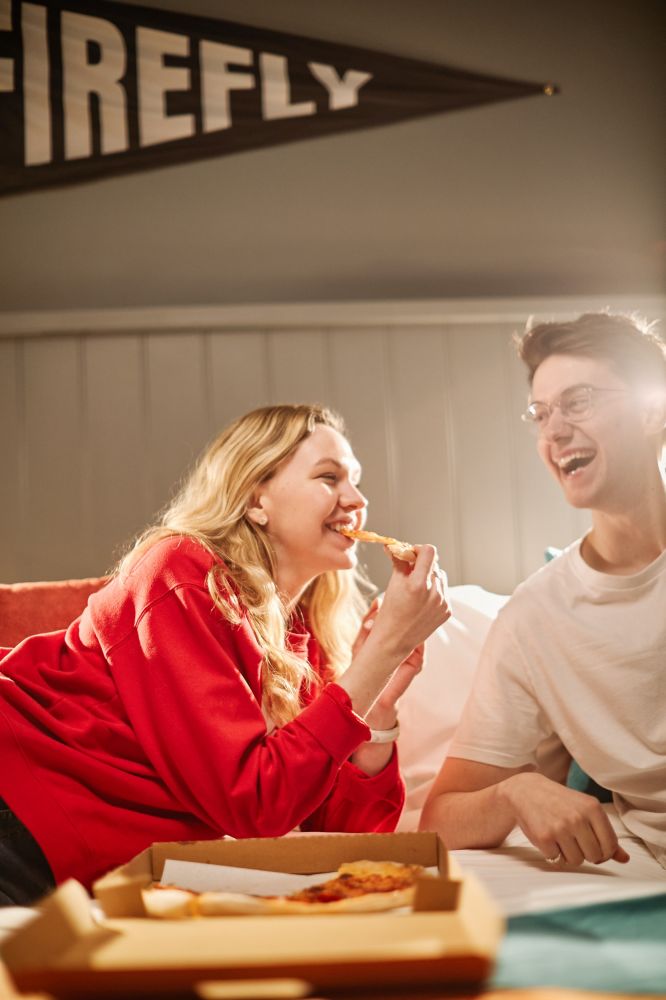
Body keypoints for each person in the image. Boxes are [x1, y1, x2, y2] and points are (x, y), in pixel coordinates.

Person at [0, 404, 450, 904]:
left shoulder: (302, 638)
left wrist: (379, 704)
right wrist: (384, 650)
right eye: (329, 477)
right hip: (17, 810)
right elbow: (254, 804)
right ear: (256, 499)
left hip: (85, 860)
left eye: (357, 481)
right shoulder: (179, 574)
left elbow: (351, 841)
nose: (357, 499)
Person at [421, 311, 666, 870]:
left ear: (653, 409)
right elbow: (443, 816)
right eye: (540, 413)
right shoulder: (536, 617)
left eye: (578, 402)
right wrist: (516, 792)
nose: (553, 431)